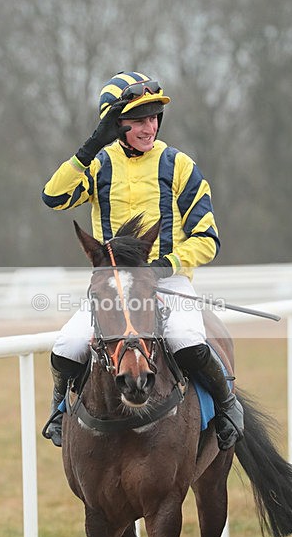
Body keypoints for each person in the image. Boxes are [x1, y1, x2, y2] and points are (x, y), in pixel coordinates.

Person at [41, 71, 243, 449]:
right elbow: (53, 197)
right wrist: (90, 147)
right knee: (67, 345)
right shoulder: (99, 165)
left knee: (184, 336)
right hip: (113, 286)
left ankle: (229, 405)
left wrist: (161, 266)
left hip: (166, 280)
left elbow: (207, 239)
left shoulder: (179, 165)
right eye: (137, 120)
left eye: (153, 118)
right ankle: (58, 409)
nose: (149, 127)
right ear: (115, 124)